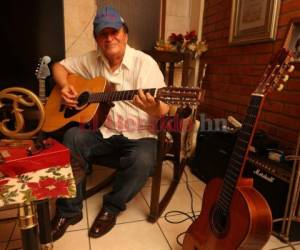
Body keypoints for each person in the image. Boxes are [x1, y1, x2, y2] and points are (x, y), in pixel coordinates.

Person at [50, 6, 169, 241]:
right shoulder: (91, 60)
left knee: (144, 159)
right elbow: (58, 67)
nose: (109, 38)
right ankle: (69, 211)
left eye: (114, 32)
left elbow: (165, 108)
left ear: (125, 34)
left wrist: (152, 107)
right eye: (103, 34)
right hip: (102, 131)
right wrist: (65, 86)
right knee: (72, 137)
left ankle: (112, 207)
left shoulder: (145, 63)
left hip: (139, 134)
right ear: (96, 39)